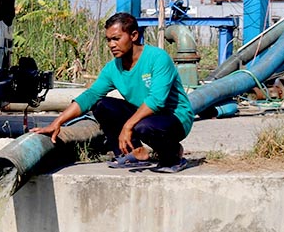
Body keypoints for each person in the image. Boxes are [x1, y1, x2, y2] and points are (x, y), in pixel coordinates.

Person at [32, 12, 194, 172]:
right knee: (102, 105)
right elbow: (90, 95)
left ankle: (173, 156)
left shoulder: (157, 58)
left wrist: (128, 126)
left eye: (116, 39)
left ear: (134, 35)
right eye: (108, 40)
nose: (111, 44)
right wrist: (57, 123)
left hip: (174, 118)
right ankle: (134, 153)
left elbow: (157, 100)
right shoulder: (113, 68)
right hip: (144, 115)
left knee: (144, 127)